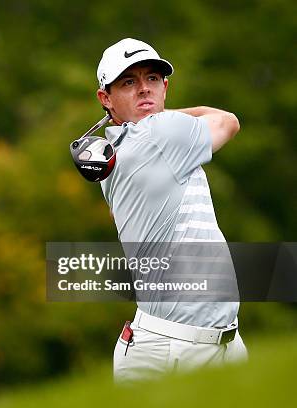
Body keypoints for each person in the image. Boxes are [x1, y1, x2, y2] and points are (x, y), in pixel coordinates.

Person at [94, 38, 248, 384]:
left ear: (165, 86)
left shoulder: (115, 150)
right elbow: (227, 121)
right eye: (128, 82)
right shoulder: (161, 135)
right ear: (106, 99)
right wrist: (159, 116)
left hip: (218, 343)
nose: (143, 89)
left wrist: (139, 118)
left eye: (152, 79)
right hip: (171, 351)